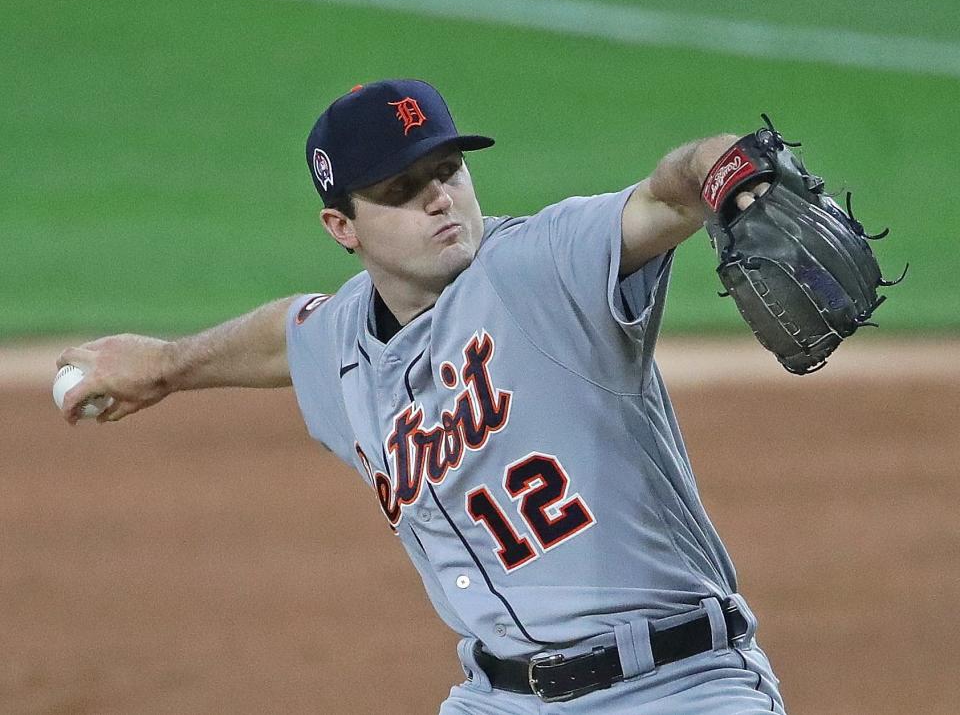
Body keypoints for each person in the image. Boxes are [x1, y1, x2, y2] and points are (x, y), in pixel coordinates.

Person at [58, 79, 784, 713]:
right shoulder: (345, 340)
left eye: (448, 170)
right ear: (342, 227)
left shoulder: (539, 265)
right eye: (400, 191)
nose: (439, 197)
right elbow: (287, 330)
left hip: (677, 686)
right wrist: (166, 365)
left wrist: (727, 167)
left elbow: (664, 197)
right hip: (496, 699)